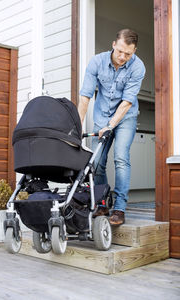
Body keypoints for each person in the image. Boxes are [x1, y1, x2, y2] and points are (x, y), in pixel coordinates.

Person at [78, 29, 146, 226]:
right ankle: (102, 203)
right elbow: (85, 97)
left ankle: (119, 208)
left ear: (134, 51)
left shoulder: (138, 67)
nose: (123, 57)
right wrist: (76, 126)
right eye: (121, 52)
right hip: (101, 116)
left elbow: (126, 102)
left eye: (129, 54)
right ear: (114, 44)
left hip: (126, 117)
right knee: (97, 162)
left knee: (121, 158)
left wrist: (110, 126)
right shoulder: (97, 62)